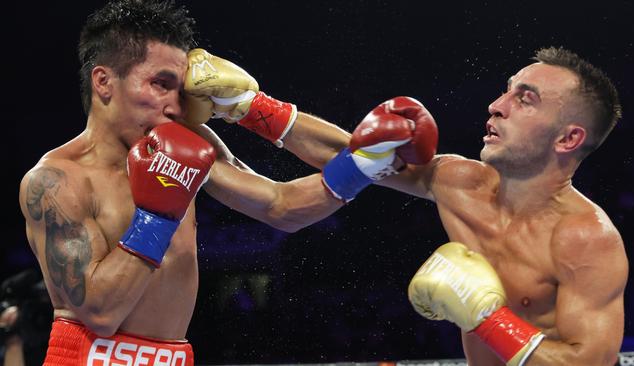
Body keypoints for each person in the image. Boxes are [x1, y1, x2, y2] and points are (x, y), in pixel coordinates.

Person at [17, 1, 436, 365]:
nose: (175, 105)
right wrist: (158, 215)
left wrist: (364, 164)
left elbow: (280, 206)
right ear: (104, 81)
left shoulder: (188, 142)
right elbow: (100, 313)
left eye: (181, 90)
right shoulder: (55, 181)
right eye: (160, 84)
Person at [216, 47, 627, 365]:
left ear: (568, 140)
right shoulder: (460, 182)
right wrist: (249, 107)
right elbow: (359, 155)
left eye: (526, 99)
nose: (497, 104)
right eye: (507, 89)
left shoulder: (585, 237)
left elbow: (590, 361)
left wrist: (488, 320)